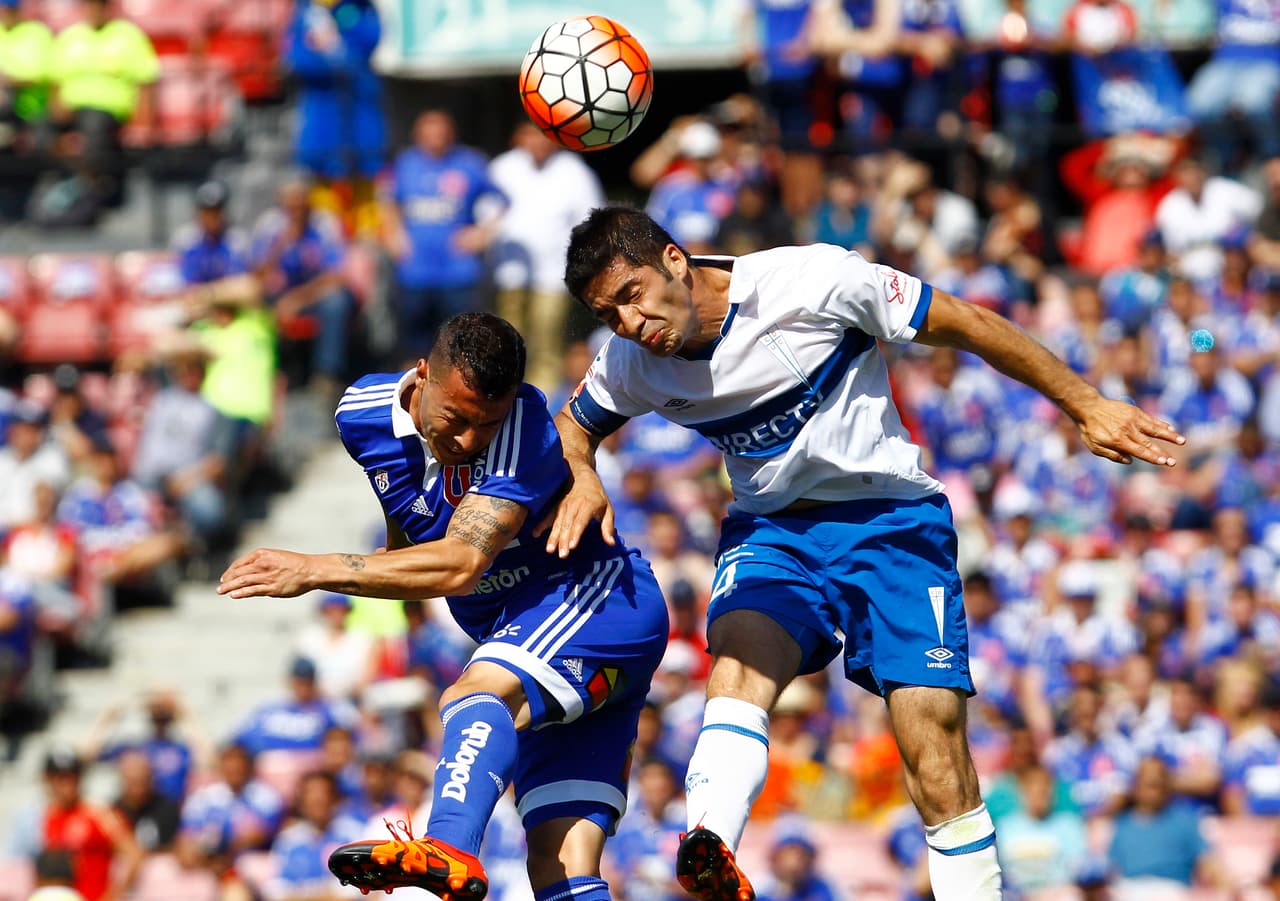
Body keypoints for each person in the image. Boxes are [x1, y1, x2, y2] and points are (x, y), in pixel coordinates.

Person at [546, 206, 1187, 901]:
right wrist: (582, 473)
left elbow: (968, 323)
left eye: (631, 295)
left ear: (674, 259)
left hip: (891, 522)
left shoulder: (812, 281)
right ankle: (710, 843)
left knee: (932, 752)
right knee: (736, 659)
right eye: (610, 315)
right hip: (775, 528)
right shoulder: (633, 363)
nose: (630, 323)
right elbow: (573, 426)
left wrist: (1087, 403)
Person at [217, 313, 670, 901]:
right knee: (558, 862)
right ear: (422, 374)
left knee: (473, 697)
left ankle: (448, 847)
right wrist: (389, 566)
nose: (469, 441)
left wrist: (314, 568)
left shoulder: (526, 430)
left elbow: (459, 564)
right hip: (552, 637)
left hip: (594, 601)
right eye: (456, 418)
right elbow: (407, 528)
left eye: (487, 422)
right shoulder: (360, 414)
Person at [489, 121, 604, 393]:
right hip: (509, 271)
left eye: (543, 137)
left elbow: (590, 219)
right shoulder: (503, 168)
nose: (538, 143)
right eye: (531, 135)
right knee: (508, 338)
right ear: (519, 137)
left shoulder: (574, 171)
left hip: (553, 273)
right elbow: (485, 213)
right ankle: (508, 393)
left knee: (547, 339)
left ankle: (542, 399)